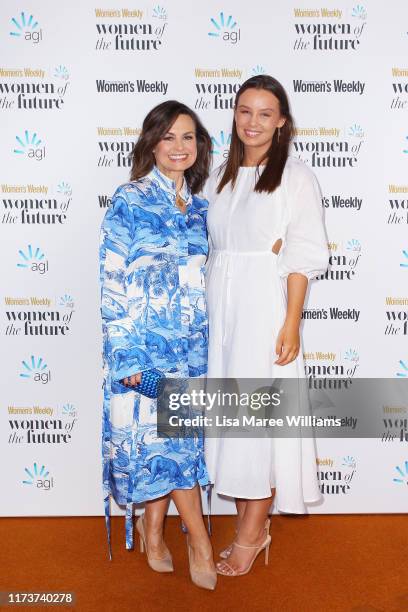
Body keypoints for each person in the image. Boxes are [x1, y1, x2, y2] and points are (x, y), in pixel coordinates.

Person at [203, 75, 329, 577]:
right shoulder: (220, 174)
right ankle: (250, 527)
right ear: (233, 116)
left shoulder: (295, 176)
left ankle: (251, 535)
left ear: (281, 121)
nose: (251, 122)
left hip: (264, 309)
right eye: (243, 111)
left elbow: (302, 254)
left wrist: (291, 322)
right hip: (221, 310)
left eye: (263, 113)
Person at [99, 100, 217, 590]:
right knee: (163, 448)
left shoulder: (201, 208)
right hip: (142, 350)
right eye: (167, 137)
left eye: (187, 137)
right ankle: (200, 540)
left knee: (174, 445)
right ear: (151, 143)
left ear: (199, 146)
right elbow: (111, 280)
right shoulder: (129, 199)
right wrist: (125, 355)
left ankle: (153, 532)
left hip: (189, 351)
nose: (178, 147)